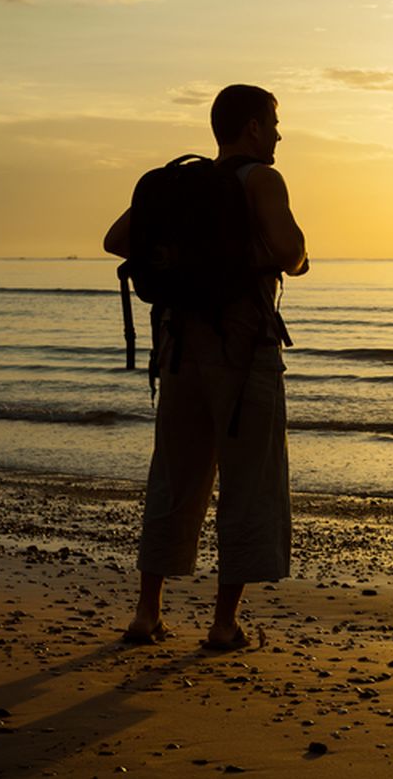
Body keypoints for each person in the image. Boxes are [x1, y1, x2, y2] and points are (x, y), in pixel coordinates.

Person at [103, 84, 308, 650]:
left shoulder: (180, 187)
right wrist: (262, 256)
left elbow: (116, 240)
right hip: (243, 349)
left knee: (175, 476)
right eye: (272, 122)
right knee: (249, 479)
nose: (278, 133)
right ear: (249, 128)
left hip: (177, 343)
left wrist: (184, 258)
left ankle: (147, 613)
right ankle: (223, 624)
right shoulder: (261, 180)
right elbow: (292, 253)